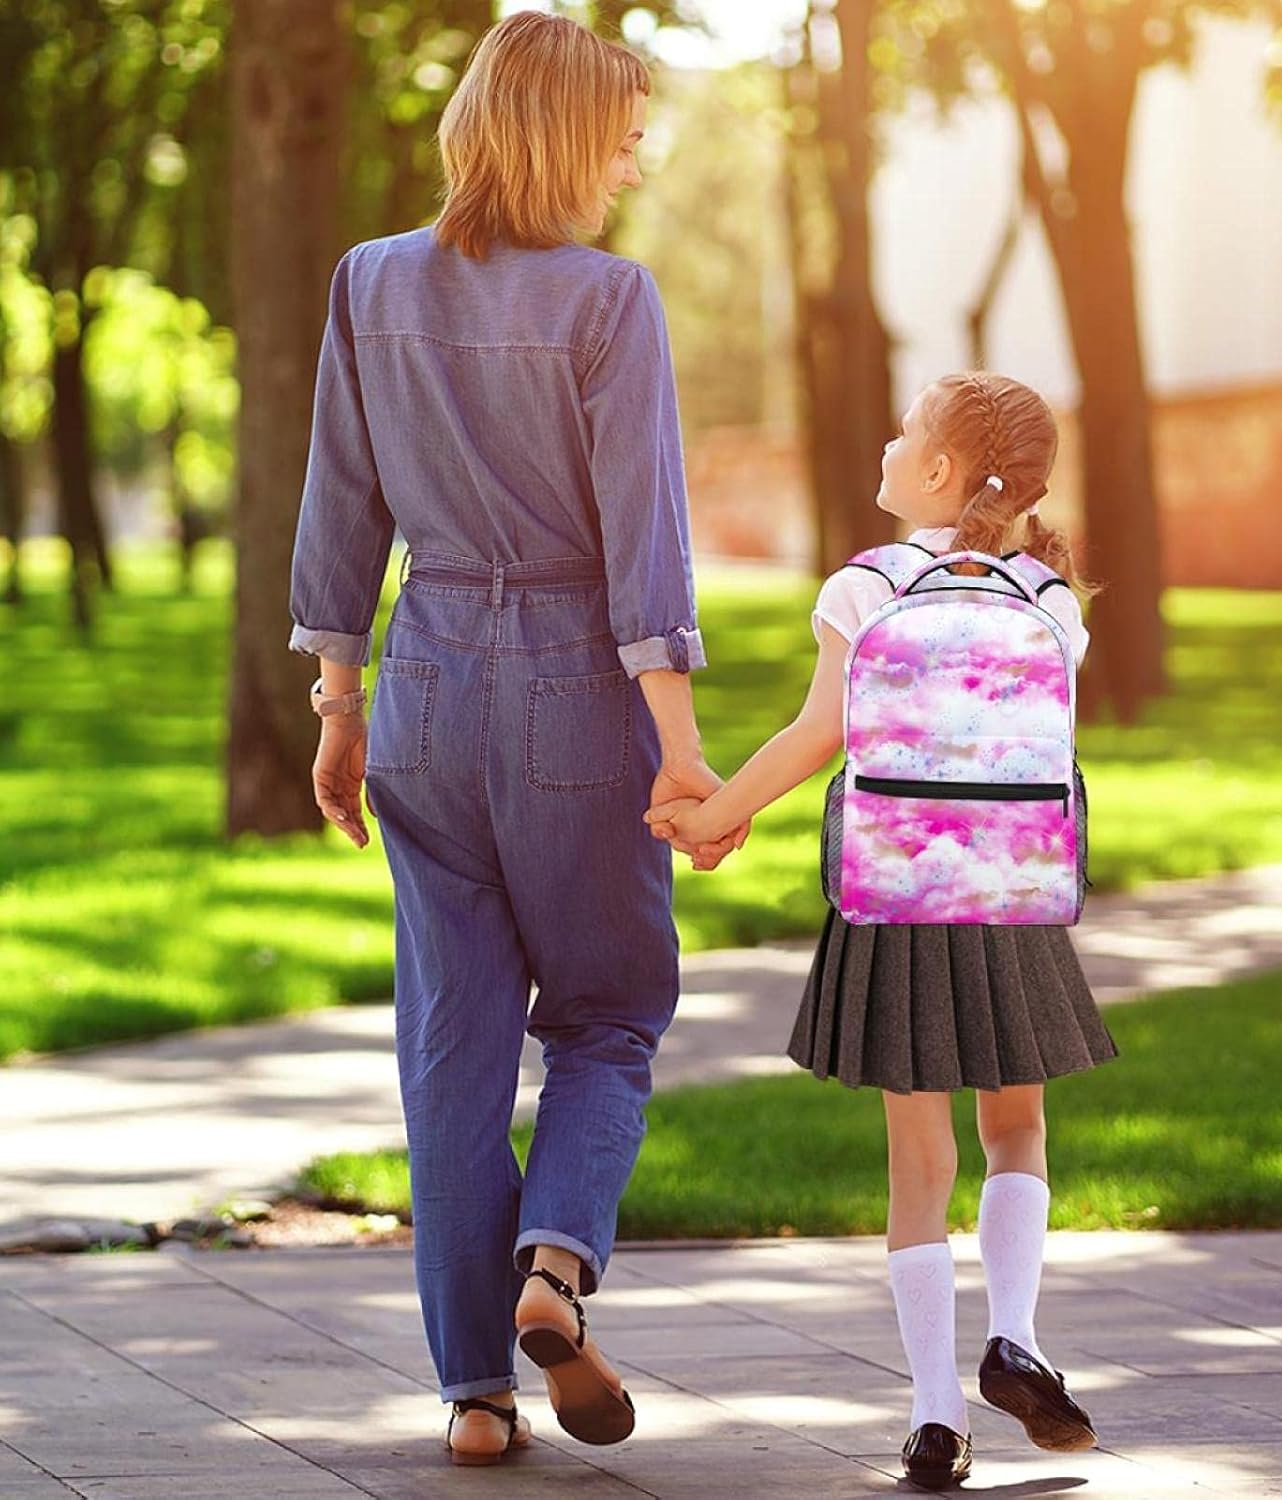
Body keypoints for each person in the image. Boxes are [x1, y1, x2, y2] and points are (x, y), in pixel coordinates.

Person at [287, 12, 745, 1467]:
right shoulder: (611, 301)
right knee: (610, 1014)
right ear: (558, 135)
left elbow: (340, 508)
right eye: (617, 133)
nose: (629, 159)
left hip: (423, 683)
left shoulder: (369, 284)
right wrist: (680, 749)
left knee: (454, 1044)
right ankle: (556, 1268)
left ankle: (474, 1394)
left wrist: (339, 705)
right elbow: (643, 548)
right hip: (573, 689)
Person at [646, 372, 1119, 1491]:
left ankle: (935, 1416)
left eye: (906, 432)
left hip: (897, 890)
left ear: (943, 472)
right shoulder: (1052, 598)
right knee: (1017, 1132)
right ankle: (1018, 1335)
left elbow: (820, 732)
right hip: (1013, 894)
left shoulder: (867, 587)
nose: (889, 443)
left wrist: (715, 816)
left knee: (920, 1163)